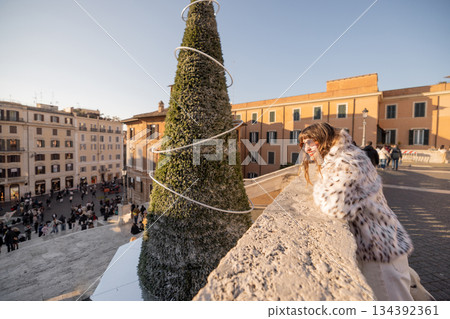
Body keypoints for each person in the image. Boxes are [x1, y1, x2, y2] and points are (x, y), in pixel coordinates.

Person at [298, 123, 415, 301]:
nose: (306, 149)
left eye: (310, 142)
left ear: (324, 140)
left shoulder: (347, 160)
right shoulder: (343, 157)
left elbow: (336, 205)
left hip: (380, 254)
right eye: (303, 145)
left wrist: (319, 189)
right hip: (381, 248)